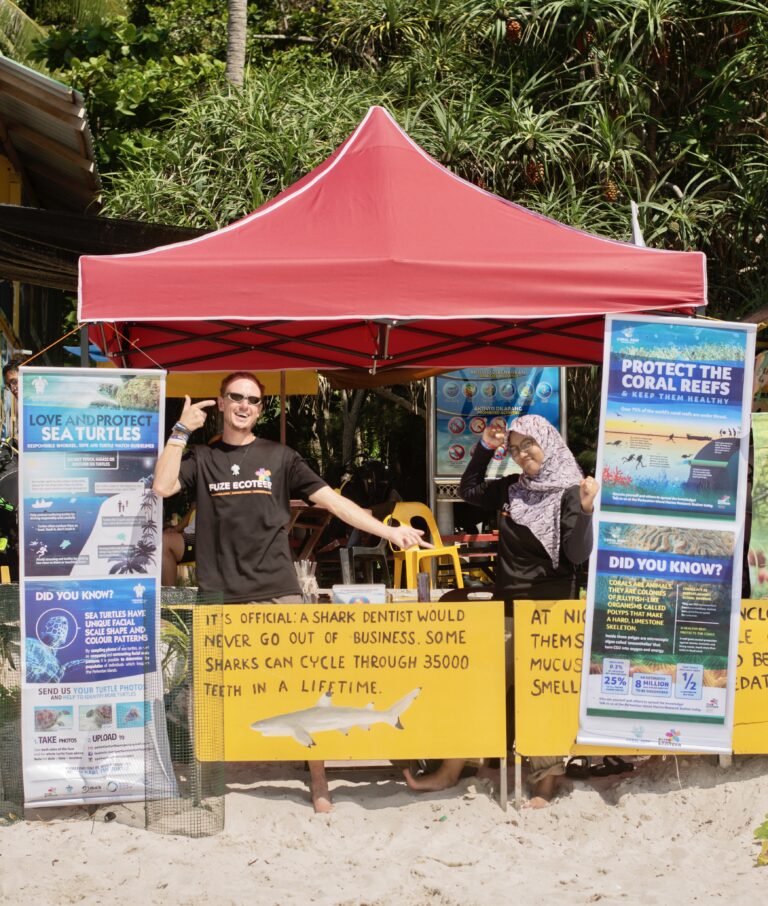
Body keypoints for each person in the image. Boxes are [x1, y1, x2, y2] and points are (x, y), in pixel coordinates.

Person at [152, 371, 431, 812]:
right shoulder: (202, 457)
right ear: (221, 403)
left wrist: (388, 532)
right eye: (236, 398)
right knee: (209, 690)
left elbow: (335, 503)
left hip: (277, 590)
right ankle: (206, 779)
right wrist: (181, 430)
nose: (245, 405)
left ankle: (319, 780)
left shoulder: (281, 458)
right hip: (219, 594)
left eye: (253, 400)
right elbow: (163, 487)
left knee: (302, 689)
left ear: (261, 409)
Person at [404, 413, 599, 806]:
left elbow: (577, 555)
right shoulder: (513, 489)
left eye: (528, 444)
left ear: (547, 441)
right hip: (505, 607)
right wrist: (484, 447)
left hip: (549, 610)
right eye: (514, 448)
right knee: (479, 687)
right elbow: (469, 488)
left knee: (539, 695)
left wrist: (587, 510)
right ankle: (450, 772)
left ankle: (545, 782)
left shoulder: (570, 492)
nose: (521, 453)